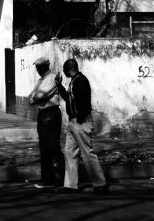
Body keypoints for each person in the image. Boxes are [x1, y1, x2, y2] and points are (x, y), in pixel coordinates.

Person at [55, 58, 108, 193]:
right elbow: (69, 99)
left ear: (68, 70)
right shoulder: (74, 81)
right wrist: (59, 85)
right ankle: (70, 185)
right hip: (74, 122)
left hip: (80, 122)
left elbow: (83, 102)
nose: (64, 73)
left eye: (64, 70)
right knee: (69, 152)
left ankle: (100, 183)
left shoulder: (81, 81)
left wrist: (79, 120)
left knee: (87, 153)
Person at [29, 56, 65, 190]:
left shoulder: (52, 78)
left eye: (39, 67)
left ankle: (61, 177)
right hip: (43, 114)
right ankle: (47, 178)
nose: (37, 70)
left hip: (51, 114)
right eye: (37, 67)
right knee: (44, 147)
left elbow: (39, 96)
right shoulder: (41, 80)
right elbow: (31, 97)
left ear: (45, 66)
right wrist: (35, 97)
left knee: (53, 146)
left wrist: (36, 97)